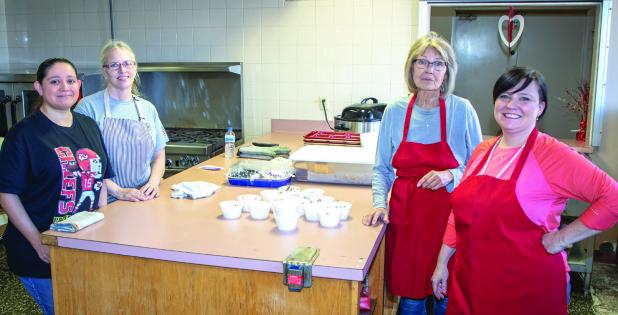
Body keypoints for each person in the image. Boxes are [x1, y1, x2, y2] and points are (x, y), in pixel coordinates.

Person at [431, 67, 618, 315]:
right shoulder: (483, 151)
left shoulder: (552, 154)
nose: (512, 104)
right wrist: (442, 263)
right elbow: (459, 214)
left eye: (525, 98)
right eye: (505, 96)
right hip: (471, 281)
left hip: (527, 289)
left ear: (540, 107)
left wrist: (561, 239)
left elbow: (612, 198)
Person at [362, 32, 482, 315]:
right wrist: (379, 203)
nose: (430, 70)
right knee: (412, 298)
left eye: (438, 64)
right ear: (411, 67)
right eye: (422, 62)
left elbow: (481, 170)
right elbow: (381, 168)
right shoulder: (395, 111)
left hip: (449, 221)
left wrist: (451, 174)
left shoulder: (462, 110)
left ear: (448, 70)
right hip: (408, 221)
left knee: (446, 297)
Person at [0, 58, 114, 315]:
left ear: (79, 85)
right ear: (39, 88)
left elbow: (100, 182)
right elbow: (7, 194)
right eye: (54, 81)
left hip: (82, 245)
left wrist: (102, 227)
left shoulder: (88, 126)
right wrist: (39, 241)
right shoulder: (23, 135)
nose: (65, 87)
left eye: (70, 80)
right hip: (40, 253)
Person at [75, 40, 168, 202]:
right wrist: (118, 191)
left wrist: (153, 183)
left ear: (135, 67)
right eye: (114, 65)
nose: (122, 70)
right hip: (105, 200)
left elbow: (159, 155)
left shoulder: (148, 108)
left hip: (144, 198)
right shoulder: (87, 108)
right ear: (105, 71)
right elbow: (82, 161)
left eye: (127, 64)